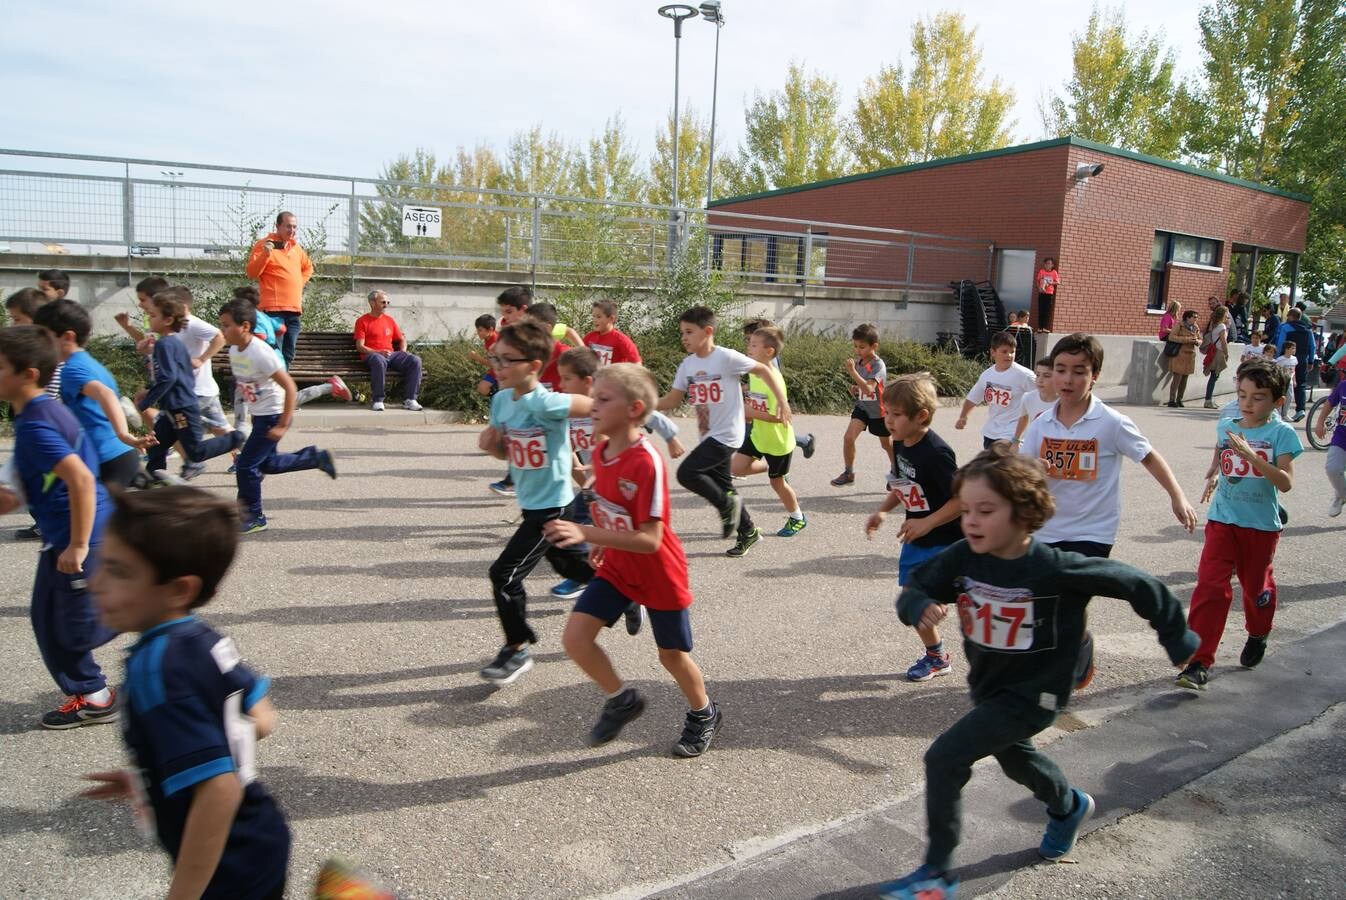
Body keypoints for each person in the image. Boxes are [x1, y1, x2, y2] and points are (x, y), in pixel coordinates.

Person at [881, 444, 1198, 899]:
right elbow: (918, 584)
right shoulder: (964, 555)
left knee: (945, 758)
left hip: (1038, 691)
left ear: (1024, 512)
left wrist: (1177, 638)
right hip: (991, 684)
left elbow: (1136, 583)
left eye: (985, 510)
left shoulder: (1053, 567)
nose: (970, 519)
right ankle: (1067, 807)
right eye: (966, 509)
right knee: (1016, 757)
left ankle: (936, 874)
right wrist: (918, 605)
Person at [82, 487, 290, 899]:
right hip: (260, 836)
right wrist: (162, 765)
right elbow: (263, 718)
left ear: (179, 589)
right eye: (102, 564)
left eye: (118, 571)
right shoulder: (203, 639)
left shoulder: (155, 670)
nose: (95, 583)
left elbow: (219, 789)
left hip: (226, 862)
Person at [543, 363, 723, 757]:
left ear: (633, 408)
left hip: (659, 572)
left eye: (603, 399)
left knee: (671, 655)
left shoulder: (647, 462)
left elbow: (650, 539)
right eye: (594, 396)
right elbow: (608, 503)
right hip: (619, 567)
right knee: (575, 638)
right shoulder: (601, 449)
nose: (592, 405)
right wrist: (601, 538)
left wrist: (586, 533)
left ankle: (704, 712)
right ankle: (622, 699)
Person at [1019, 333, 1196, 691]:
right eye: (1061, 370)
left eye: (1079, 371)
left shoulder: (1111, 422)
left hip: (1093, 532)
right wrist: (1030, 471)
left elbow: (1149, 457)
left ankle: (1062, 663)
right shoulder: (1041, 424)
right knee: (1047, 602)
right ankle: (1079, 642)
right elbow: (1018, 471)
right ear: (1051, 373)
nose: (1068, 379)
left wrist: (1177, 496)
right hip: (1048, 529)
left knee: (1069, 600)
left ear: (1094, 375)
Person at [0, 325, 119, 729]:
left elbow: (82, 479)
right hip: (67, 533)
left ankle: (139, 620)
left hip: (79, 535)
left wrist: (79, 545)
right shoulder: (41, 413)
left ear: (28, 374)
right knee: (47, 618)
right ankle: (92, 691)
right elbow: (35, 479)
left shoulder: (35, 424)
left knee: (69, 626)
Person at [476, 321, 598, 684]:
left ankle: (517, 649)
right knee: (569, 567)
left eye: (506, 359)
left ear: (532, 365)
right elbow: (508, 454)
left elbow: (594, 404)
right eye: (494, 357)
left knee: (504, 574)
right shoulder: (500, 400)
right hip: (531, 501)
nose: (497, 365)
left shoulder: (547, 401)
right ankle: (622, 591)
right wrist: (493, 445)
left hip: (553, 506)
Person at [1178, 359, 1301, 690]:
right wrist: (1214, 473)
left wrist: (1252, 457)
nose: (1248, 403)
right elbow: (1222, 451)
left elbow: (1286, 482)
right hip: (1222, 521)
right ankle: (1198, 661)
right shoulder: (1228, 424)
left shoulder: (1282, 433)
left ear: (1277, 401)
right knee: (1210, 586)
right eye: (1242, 394)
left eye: (1258, 397)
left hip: (1260, 527)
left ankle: (1258, 632)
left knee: (1254, 588)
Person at [656, 306, 791, 558]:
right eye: (681, 332)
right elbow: (672, 400)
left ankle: (727, 506)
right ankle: (748, 531)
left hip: (729, 432)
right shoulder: (687, 365)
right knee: (723, 484)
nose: (683, 337)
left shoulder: (726, 358)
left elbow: (762, 369)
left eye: (689, 332)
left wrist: (782, 401)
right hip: (708, 433)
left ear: (708, 332)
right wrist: (644, 404)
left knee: (688, 473)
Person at [865, 374, 963, 684]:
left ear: (920, 416)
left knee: (928, 599)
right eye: (887, 412)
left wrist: (928, 522)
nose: (888, 420)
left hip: (945, 540)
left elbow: (961, 500)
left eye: (896, 414)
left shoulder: (937, 454)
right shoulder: (900, 442)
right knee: (911, 600)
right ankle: (936, 657)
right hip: (916, 538)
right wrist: (881, 511)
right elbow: (901, 485)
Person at [218, 299, 337, 535]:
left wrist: (282, 424)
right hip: (260, 415)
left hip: (274, 415)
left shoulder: (260, 352)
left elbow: (290, 387)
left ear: (244, 326)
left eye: (225, 325)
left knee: (246, 465)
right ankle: (314, 457)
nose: (221, 330)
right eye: (220, 325)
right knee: (268, 464)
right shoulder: (233, 350)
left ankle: (253, 516)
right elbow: (245, 385)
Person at [117, 278, 235, 479]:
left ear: (168, 320)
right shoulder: (170, 342)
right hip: (173, 405)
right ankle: (154, 478)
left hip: (181, 406)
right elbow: (177, 374)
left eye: (152, 315)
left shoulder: (168, 344)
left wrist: (147, 401)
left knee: (195, 451)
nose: (148, 318)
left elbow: (168, 377)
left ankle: (236, 438)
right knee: (158, 445)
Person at [32, 299, 153, 487]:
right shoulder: (90, 363)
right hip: (114, 456)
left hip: (105, 459)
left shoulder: (72, 369)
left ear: (68, 337)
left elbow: (106, 395)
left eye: (44, 337)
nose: (39, 344)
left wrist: (123, 434)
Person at [731, 325, 814, 537]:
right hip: (759, 436)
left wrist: (749, 411)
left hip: (778, 442)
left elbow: (781, 417)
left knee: (777, 483)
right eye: (748, 343)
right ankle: (766, 466)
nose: (748, 347)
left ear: (769, 351)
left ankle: (797, 517)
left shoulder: (773, 378)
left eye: (754, 344)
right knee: (736, 468)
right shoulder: (756, 371)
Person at [245, 211, 312, 366]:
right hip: (273, 310)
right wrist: (266, 254)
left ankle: (282, 387)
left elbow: (308, 268)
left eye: (295, 227)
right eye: (288, 226)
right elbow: (251, 273)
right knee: (274, 353)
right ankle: (275, 387)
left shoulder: (296, 248)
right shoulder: (264, 244)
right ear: (277, 226)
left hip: (294, 310)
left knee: (288, 354)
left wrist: (298, 283)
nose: (292, 230)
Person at [833, 323, 893, 488]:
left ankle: (897, 472)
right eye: (855, 346)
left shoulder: (878, 365)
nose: (858, 350)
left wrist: (853, 374)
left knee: (886, 445)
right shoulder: (860, 362)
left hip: (879, 411)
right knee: (848, 438)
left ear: (874, 346)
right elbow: (863, 387)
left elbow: (869, 388)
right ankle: (848, 472)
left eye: (862, 347)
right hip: (863, 408)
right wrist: (855, 388)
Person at [956, 331, 1036, 448]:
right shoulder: (987, 375)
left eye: (1012, 352)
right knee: (993, 464)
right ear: (993, 352)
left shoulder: (1025, 375)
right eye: (1004, 351)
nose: (1009, 355)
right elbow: (972, 398)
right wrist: (963, 416)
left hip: (1012, 433)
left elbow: (1042, 396)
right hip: (991, 432)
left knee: (999, 461)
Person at [354, 290, 424, 412]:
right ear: (372, 303)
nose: (386, 304)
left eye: (387, 302)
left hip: (391, 355)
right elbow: (360, 346)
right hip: (372, 356)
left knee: (415, 360)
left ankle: (410, 400)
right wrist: (378, 352)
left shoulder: (389, 320)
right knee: (379, 360)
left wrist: (403, 351)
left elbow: (402, 339)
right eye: (383, 302)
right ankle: (378, 400)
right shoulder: (362, 321)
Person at [1275, 308, 1316, 420]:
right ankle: (1300, 409)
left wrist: (1276, 357)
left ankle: (1280, 411)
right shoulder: (1308, 329)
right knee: (1301, 384)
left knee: (1283, 384)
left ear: (1290, 316)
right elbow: (1312, 346)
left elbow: (1280, 344)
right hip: (1303, 359)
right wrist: (1311, 360)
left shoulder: (1286, 328)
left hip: (1287, 359)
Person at [1316, 367, 1346, 518]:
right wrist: (1320, 422)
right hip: (1341, 437)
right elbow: (1330, 402)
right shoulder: (1343, 386)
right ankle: (1342, 494)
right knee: (1332, 469)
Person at [583, 299, 642, 367]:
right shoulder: (589, 337)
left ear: (611, 319)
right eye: (593, 316)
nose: (594, 320)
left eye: (599, 317)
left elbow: (637, 363)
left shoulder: (621, 340)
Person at [1166, 310, 1200, 407]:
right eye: (1194, 317)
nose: (1196, 319)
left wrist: (1197, 341)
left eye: (1196, 317)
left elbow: (1200, 338)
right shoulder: (1179, 325)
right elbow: (1171, 337)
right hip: (1180, 354)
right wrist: (1186, 339)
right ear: (1188, 317)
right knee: (1177, 378)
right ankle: (1171, 400)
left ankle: (1179, 399)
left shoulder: (1196, 327)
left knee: (1185, 379)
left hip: (1190, 355)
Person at [1201, 305, 1230, 409]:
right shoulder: (1222, 326)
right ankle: (1208, 400)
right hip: (1219, 352)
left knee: (1213, 376)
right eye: (1226, 313)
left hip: (1213, 351)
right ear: (1223, 314)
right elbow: (1223, 341)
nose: (1228, 315)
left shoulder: (1214, 325)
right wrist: (1226, 353)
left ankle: (1209, 399)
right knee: (1214, 376)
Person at [1020, 357, 1058, 424]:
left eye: (1046, 376)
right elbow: (1023, 419)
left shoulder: (1066, 402)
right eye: (1038, 375)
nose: (1040, 380)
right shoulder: (1027, 398)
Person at [469, 313, 500, 397]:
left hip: (501, 372)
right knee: (482, 388)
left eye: (480, 330)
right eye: (477, 330)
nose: (477, 333)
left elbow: (493, 364)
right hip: (495, 371)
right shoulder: (488, 338)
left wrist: (476, 357)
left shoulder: (495, 343)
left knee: (483, 388)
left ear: (490, 329)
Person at [1272, 341, 1298, 418]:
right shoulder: (1280, 360)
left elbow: (1294, 370)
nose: (1294, 350)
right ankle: (1278, 414)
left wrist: (1294, 380)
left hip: (1289, 381)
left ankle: (1285, 414)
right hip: (1281, 381)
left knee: (1290, 397)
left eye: (1295, 348)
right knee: (1280, 397)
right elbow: (1276, 371)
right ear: (1286, 349)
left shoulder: (1294, 359)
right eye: (1292, 348)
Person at [1034, 257, 1059, 332]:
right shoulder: (1042, 271)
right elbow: (1038, 281)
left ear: (1052, 265)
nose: (1048, 265)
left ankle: (1045, 327)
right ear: (1044, 265)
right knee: (1041, 310)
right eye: (1047, 263)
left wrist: (1051, 282)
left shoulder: (1054, 272)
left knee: (1047, 311)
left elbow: (1058, 282)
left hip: (1049, 293)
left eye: (1050, 263)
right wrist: (1039, 288)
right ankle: (1040, 327)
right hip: (1042, 293)